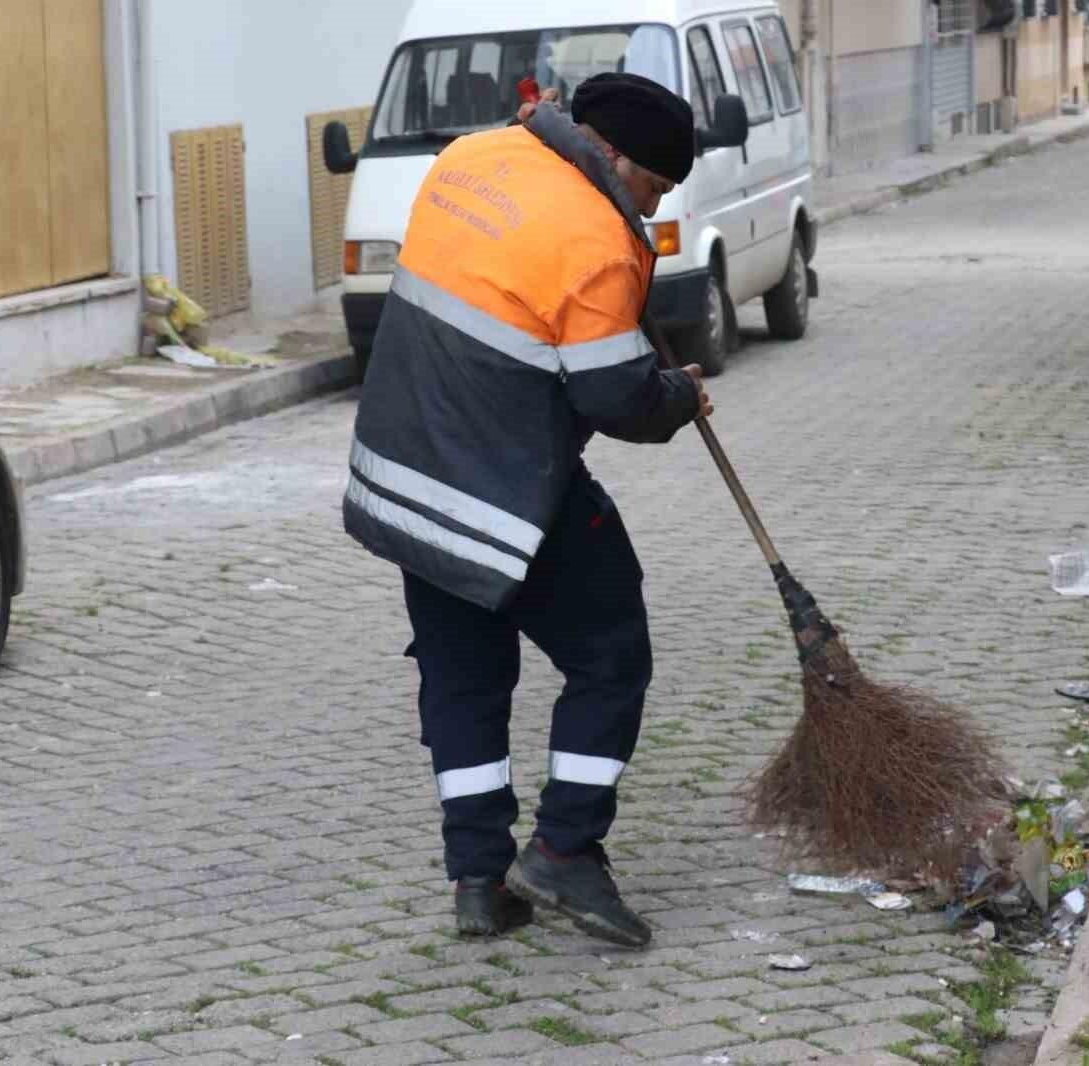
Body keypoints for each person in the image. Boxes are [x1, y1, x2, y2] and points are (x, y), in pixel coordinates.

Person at [342, 73, 712, 948]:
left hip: (403, 478)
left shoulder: (470, 159)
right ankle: (564, 850)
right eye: (654, 188)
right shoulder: (595, 238)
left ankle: (478, 879)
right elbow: (615, 399)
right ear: (613, 157)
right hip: (504, 494)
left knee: (464, 677)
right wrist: (678, 396)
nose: (653, 206)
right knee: (611, 650)